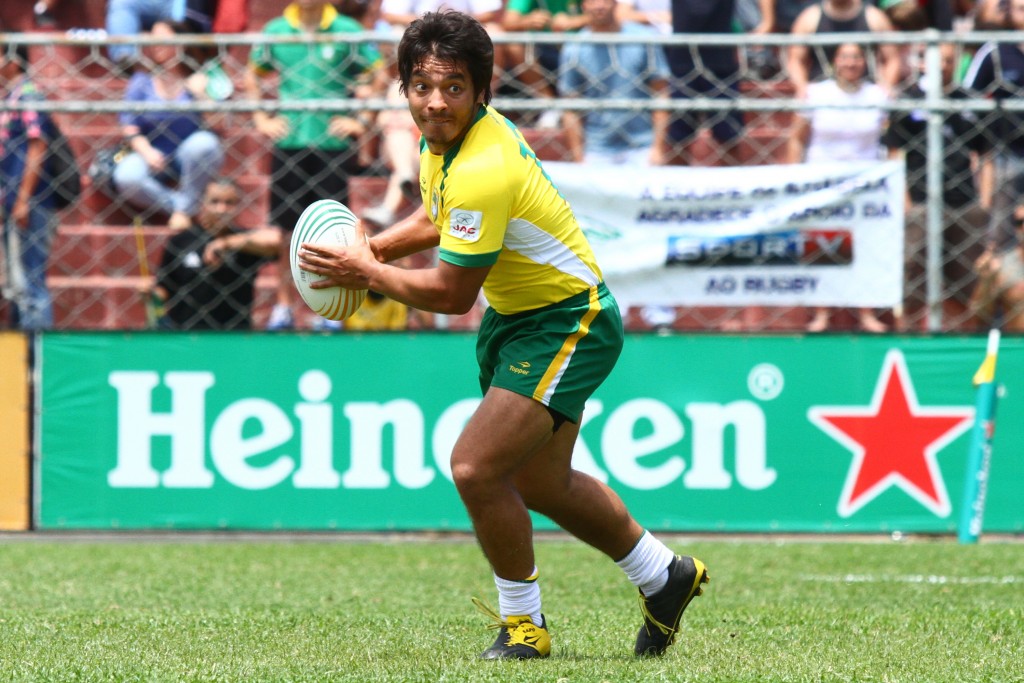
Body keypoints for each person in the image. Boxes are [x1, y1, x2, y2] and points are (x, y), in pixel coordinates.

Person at [297, 10, 709, 660]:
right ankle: (664, 575)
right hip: (519, 320)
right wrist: (371, 247)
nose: (436, 101)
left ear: (482, 90)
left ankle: (525, 626)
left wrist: (367, 269)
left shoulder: (483, 163)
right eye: (423, 85)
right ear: (403, 86)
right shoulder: (449, 143)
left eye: (454, 86)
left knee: (475, 466)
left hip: (566, 321)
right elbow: (438, 215)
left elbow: (450, 293)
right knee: (543, 482)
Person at [245, 0, 386, 331]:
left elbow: (379, 76)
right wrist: (261, 118)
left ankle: (330, 307)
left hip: (331, 145)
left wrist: (362, 121)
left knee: (333, 231)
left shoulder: (347, 31)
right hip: (290, 143)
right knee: (285, 231)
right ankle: (283, 307)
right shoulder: (276, 31)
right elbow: (253, 74)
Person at [884, 41, 989, 330]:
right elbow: (895, 153)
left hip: (964, 202)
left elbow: (985, 155)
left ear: (955, 62)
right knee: (912, 276)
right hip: (919, 199)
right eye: (935, 61)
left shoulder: (968, 101)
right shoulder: (908, 101)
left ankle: (962, 342)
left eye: (946, 61)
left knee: (966, 278)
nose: (941, 66)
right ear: (922, 63)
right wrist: (904, 202)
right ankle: (907, 337)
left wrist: (984, 202)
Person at [787, 41, 890, 332]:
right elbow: (796, 138)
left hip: (866, 182)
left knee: (868, 246)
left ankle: (866, 313)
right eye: (845, 57)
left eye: (857, 57)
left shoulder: (878, 95)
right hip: (823, 182)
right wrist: (793, 178)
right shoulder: (816, 94)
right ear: (835, 61)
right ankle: (822, 313)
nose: (851, 63)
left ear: (865, 62)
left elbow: (890, 139)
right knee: (823, 244)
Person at [112, 20, 224, 231]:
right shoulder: (142, 81)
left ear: (181, 43)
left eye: (163, 39)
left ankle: (184, 211)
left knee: (205, 144)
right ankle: (182, 208)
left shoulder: (199, 77)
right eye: (153, 40)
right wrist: (147, 152)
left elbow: (217, 124)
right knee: (126, 177)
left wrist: (201, 94)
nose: (157, 45)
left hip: (189, 155)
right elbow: (128, 125)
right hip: (153, 152)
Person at [152, 178, 279, 330]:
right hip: (187, 334)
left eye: (229, 203)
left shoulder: (245, 240)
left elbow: (278, 241)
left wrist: (225, 243)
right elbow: (164, 288)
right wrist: (151, 295)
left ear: (238, 206)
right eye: (215, 202)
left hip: (235, 334)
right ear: (203, 204)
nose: (221, 209)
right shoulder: (182, 241)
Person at [558, 0, 671, 166]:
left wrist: (658, 148)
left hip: (642, 146)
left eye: (605, 0)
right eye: (592, 1)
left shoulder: (643, 38)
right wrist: (578, 157)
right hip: (597, 149)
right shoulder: (574, 48)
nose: (599, 6)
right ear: (584, 6)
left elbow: (661, 93)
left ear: (616, 3)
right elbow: (570, 107)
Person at [1, 40, 57, 330]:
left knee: (30, 282)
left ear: (13, 60)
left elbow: (37, 147)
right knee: (17, 284)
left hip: (32, 202)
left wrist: (22, 199)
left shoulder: (27, 94)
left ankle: (38, 358)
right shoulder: (9, 97)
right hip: (12, 202)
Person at [963, 0, 1024, 252]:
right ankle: (1000, 282)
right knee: (1000, 229)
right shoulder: (996, 51)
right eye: (1021, 9)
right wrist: (980, 147)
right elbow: (967, 99)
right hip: (1005, 153)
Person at [665, 0, 747, 166]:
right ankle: (674, 187)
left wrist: (766, 21)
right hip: (683, 62)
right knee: (678, 137)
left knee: (728, 135)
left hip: (720, 62)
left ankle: (732, 186)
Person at [787, 0, 900, 99]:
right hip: (822, 95)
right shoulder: (810, 18)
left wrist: (886, 89)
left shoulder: (874, 17)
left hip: (865, 93)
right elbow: (795, 60)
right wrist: (802, 88)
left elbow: (892, 59)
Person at [970, 205, 1024, 331]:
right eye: (1020, 222)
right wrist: (986, 281)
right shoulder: (1002, 264)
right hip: (1017, 344)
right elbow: (979, 318)